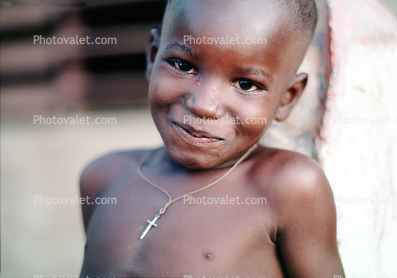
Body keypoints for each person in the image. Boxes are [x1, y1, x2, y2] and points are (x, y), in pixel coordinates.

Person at [79, 0, 345, 277]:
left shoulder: (288, 188)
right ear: (152, 56)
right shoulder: (102, 178)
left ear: (286, 99)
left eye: (246, 84)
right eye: (183, 65)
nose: (204, 105)